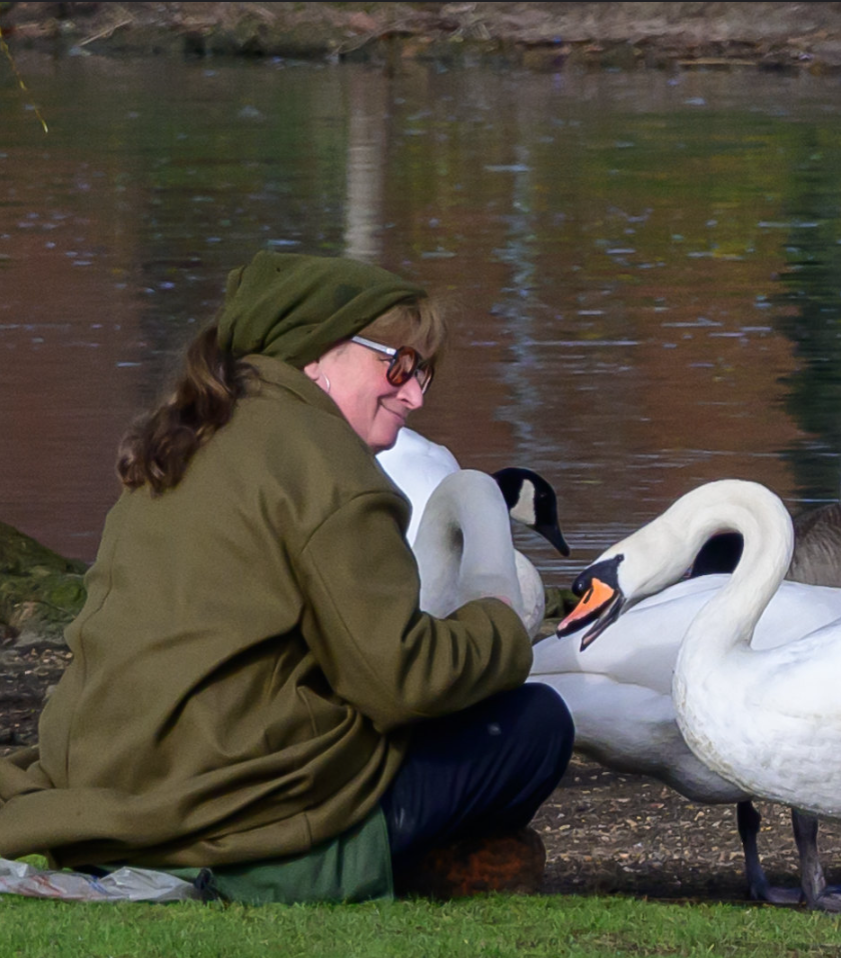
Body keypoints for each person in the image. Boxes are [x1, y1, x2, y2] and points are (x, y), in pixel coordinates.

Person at [0, 251, 574, 903]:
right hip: (222, 811)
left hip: (106, 781)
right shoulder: (327, 464)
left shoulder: (182, 438)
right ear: (318, 350)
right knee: (534, 724)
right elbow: (398, 680)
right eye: (399, 364)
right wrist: (499, 627)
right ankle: (346, 866)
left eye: (424, 374)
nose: (414, 394)